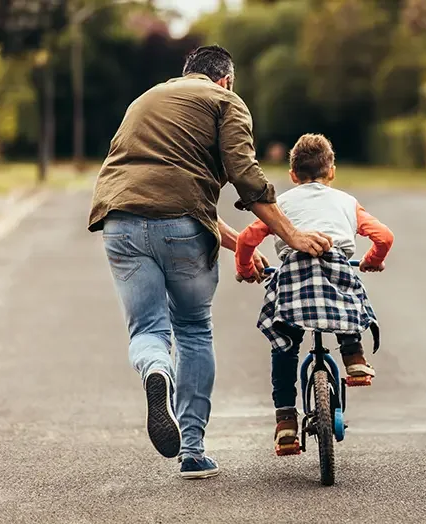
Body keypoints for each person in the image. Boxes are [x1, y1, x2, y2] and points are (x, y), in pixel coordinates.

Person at [87, 46, 332, 479]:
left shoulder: (145, 100)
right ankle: (193, 452)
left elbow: (177, 193)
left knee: (148, 330)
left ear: (185, 74)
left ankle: (156, 370)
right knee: (193, 329)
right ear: (227, 80)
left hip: (119, 222)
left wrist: (243, 245)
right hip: (182, 228)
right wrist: (291, 235)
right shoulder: (225, 101)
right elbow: (245, 175)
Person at [235, 134, 394, 454]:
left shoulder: (279, 207)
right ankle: (354, 358)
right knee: (349, 295)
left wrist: (245, 268)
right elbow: (384, 237)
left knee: (285, 344)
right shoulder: (347, 203)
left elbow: (246, 239)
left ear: (293, 175)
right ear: (331, 171)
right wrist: (372, 260)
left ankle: (285, 424)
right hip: (336, 273)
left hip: (295, 281)